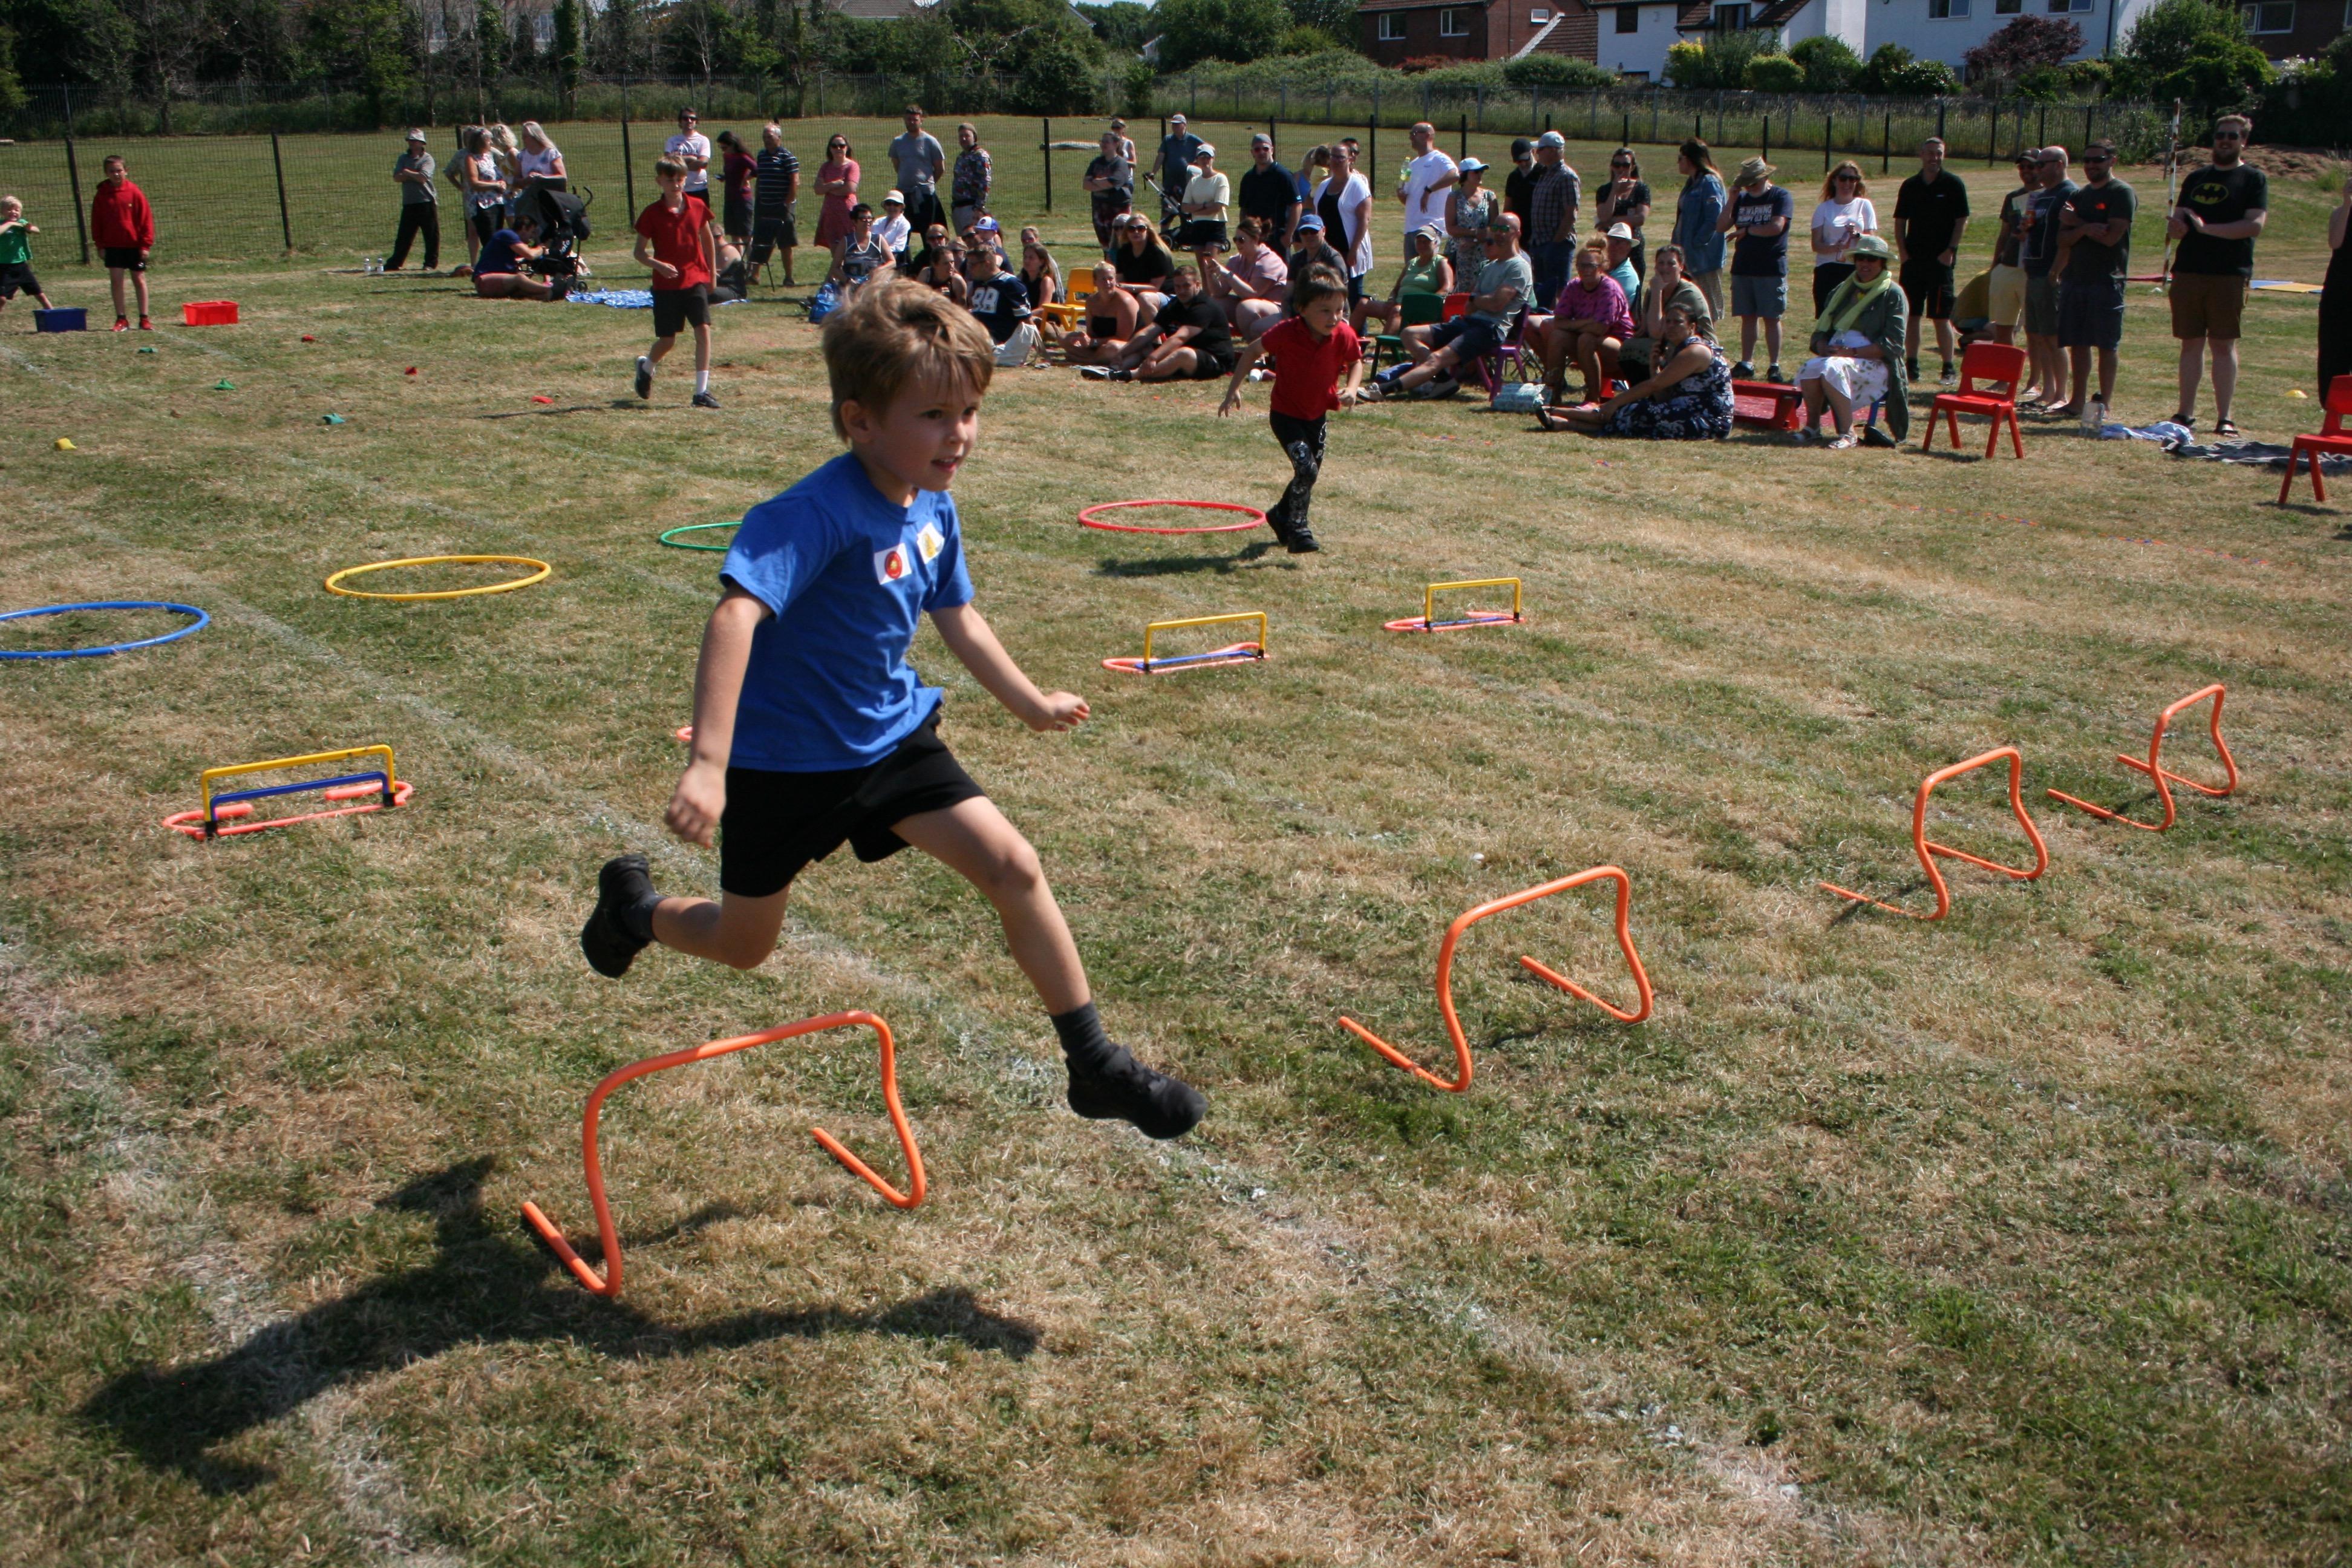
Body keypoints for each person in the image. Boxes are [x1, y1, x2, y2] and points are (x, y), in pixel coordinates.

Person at [581, 279, 1205, 1143]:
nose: (960, 434)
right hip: (784, 765)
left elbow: (959, 617)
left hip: (889, 739)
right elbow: (734, 617)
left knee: (1014, 866)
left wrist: (1030, 703)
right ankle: (634, 911)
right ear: (861, 421)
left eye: (971, 412)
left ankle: (1095, 1064)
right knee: (743, 944)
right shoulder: (812, 514)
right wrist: (710, 766)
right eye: (936, 415)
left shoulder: (932, 502)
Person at [1217, 264, 1364, 555]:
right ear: (1302, 309)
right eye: (1325, 311)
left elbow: (1356, 361)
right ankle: (1298, 530)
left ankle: (1280, 514)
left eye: (1339, 310)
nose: (1334, 318)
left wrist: (1352, 388)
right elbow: (1252, 350)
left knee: (1309, 474)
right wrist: (1234, 388)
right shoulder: (1286, 332)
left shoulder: (1343, 334)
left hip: (1317, 416)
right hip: (1286, 416)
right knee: (1306, 469)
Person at [2167, 113, 2268, 436]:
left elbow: (2254, 226)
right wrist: (2177, 228)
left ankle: (2225, 417)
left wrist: (2207, 230)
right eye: (2220, 135)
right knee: (2190, 344)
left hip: (2228, 273)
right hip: (2189, 270)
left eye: (2232, 136)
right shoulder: (2196, 178)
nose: (2225, 141)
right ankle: (2185, 413)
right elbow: (2180, 222)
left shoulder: (2253, 179)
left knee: (2223, 344)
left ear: (2243, 142)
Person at [1367, 213, 1531, 402]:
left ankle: (1383, 390)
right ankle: (1444, 379)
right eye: (1496, 229)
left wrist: (1476, 301)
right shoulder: (1489, 266)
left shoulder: (1518, 267)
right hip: (1469, 322)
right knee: (1409, 334)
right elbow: (1470, 306)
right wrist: (1477, 302)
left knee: (1437, 358)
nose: (1499, 234)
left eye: (1505, 229)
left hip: (1491, 329)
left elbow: (1496, 304)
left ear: (1517, 234)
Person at [1535, 302, 1732, 440]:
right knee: (1636, 411)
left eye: (1678, 322)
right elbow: (1663, 396)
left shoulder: (1696, 351)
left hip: (1708, 421)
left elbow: (1654, 386)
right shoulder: (1680, 350)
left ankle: (1557, 412)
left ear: (1692, 327)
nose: (1671, 327)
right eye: (1668, 322)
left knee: (1634, 411)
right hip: (1687, 412)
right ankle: (1562, 422)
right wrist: (1654, 369)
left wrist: (1614, 403)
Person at [1794, 232, 1908, 448]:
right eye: (1860, 258)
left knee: (1832, 368)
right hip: (1838, 356)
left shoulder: (1893, 294)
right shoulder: (1842, 290)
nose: (1865, 264)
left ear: (1882, 263)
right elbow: (1820, 332)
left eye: (1872, 259)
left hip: (1876, 362)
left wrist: (1852, 352)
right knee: (1811, 368)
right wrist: (1822, 346)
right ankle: (1813, 428)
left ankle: (1848, 434)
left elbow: (1893, 344)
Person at [2054, 139, 2134, 422]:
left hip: (2107, 280)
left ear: (2112, 161)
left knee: (2106, 345)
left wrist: (2078, 224)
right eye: (2087, 160)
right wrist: (2087, 228)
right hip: (2075, 278)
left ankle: (2104, 404)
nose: (2091, 165)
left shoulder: (2121, 193)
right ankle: (2077, 401)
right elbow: (2062, 239)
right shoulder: (2079, 195)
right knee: (2078, 342)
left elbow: (2111, 237)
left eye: (2098, 160)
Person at [632, 157, 722, 410]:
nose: (676, 184)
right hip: (666, 286)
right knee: (667, 340)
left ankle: (701, 392)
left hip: (695, 279)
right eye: (670, 180)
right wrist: (658, 265)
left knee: (703, 330)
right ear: (659, 181)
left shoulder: (697, 206)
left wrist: (712, 274)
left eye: (680, 179)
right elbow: (639, 252)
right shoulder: (652, 213)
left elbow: (708, 240)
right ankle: (646, 367)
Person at [1894, 137, 1970, 388]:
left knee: (1941, 316)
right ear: (1921, 155)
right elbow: (1900, 221)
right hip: (1914, 260)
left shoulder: (1953, 184)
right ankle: (1911, 365)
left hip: (1940, 262)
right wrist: (1903, 252)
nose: (1934, 158)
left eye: (1938, 153)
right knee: (1912, 315)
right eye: (1930, 153)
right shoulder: (1910, 185)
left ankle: (1948, 368)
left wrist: (1950, 251)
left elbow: (1961, 220)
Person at [1078, 264, 1235, 384]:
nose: (1181, 291)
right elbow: (1150, 331)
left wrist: (1153, 358)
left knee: (1183, 354)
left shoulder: (1204, 307)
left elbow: (1180, 338)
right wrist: (1123, 353)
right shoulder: (1176, 304)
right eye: (1178, 286)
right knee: (1144, 345)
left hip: (1214, 361)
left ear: (1198, 285)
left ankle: (1130, 375)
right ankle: (1114, 368)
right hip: (1185, 356)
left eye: (1187, 286)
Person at [1536, 243, 1636, 405]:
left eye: (1591, 266)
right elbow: (1559, 322)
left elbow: (1600, 328)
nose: (1586, 270)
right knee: (1557, 336)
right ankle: (1553, 393)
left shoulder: (1609, 288)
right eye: (1582, 265)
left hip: (1620, 345)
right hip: (1585, 338)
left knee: (1586, 339)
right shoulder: (1574, 286)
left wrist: (1574, 325)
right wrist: (1587, 323)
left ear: (1601, 267)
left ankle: (1593, 397)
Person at [1720, 157, 1792, 382]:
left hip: (1770, 267)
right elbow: (1721, 226)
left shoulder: (1780, 196)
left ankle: (1774, 365)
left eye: (1753, 182)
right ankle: (1746, 362)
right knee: (1748, 317)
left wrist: (1748, 230)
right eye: (1746, 183)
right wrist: (1732, 199)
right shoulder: (1741, 199)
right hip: (1744, 266)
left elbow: (1776, 227)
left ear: (1765, 178)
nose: (1750, 187)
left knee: (1771, 317)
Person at [2019, 146, 2077, 413]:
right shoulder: (2041, 196)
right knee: (2039, 335)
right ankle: (2047, 390)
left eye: (2042, 164)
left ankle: (2061, 394)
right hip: (2034, 271)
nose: (2037, 170)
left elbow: (2069, 238)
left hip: (2051, 273)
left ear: (2060, 164)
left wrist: (2056, 270)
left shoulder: (2069, 193)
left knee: (2053, 337)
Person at [1621, 241, 1710, 379]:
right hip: (1671, 341)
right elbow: (1645, 328)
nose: (1665, 268)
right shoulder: (1653, 290)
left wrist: (1657, 290)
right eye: (1661, 263)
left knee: (1649, 349)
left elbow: (1656, 333)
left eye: (1671, 264)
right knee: (1629, 346)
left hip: (1698, 348)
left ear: (1681, 267)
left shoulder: (1689, 294)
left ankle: (1655, 389)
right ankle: (1644, 390)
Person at [90, 154, 154, 331]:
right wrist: (100, 245)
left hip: (134, 245)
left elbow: (146, 220)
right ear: (106, 173)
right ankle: (121, 319)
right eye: (112, 171)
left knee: (139, 279)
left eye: (119, 170)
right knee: (117, 281)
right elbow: (96, 221)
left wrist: (145, 245)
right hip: (113, 246)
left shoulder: (134, 192)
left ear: (126, 171)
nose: (116, 174)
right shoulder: (102, 195)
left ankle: (144, 318)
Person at [1203, 216, 1290, 341]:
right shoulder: (1236, 260)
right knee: (1215, 303)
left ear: (1255, 239)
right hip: (1249, 307)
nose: (1237, 243)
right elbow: (1219, 293)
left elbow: (1253, 293)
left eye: (1242, 240)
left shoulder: (1269, 261)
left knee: (1246, 307)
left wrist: (1228, 274)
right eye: (1235, 240)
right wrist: (1210, 274)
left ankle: (1253, 347)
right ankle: (1218, 342)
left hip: (1279, 310)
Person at [1987, 150, 2039, 355]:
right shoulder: (2013, 197)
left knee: (2034, 329)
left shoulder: (2048, 196)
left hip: (2032, 269)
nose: (2025, 171)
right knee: (2002, 326)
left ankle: (2035, 374)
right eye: (2022, 167)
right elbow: (2004, 233)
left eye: (2031, 167)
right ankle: (2003, 371)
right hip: (2008, 266)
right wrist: (1995, 265)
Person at [1355, 223, 1449, 338]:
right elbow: (1396, 289)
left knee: (1397, 311)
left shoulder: (1441, 262)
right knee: (1363, 304)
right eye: (1419, 242)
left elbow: (1446, 288)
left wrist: (1425, 302)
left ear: (1435, 243)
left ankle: (1382, 347)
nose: (1422, 245)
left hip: (1419, 309)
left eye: (1426, 242)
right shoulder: (1412, 263)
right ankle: (1346, 343)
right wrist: (1392, 299)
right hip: (1397, 304)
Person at [1809, 161, 1877, 315]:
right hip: (1828, 268)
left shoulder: (1864, 205)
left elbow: (1872, 241)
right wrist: (1835, 248)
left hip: (1856, 268)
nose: (1847, 183)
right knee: (1828, 317)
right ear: (1834, 180)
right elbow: (1816, 245)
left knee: (1855, 317)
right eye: (1843, 178)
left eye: (1852, 179)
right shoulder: (1824, 208)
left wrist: (1857, 235)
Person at [1313, 142, 1375, 304]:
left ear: (1350, 160)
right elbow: (1317, 215)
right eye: (1333, 156)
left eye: (1340, 157)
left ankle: (1359, 321)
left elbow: (1364, 220)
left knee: (1352, 295)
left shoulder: (1357, 186)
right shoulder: (1324, 185)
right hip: (1328, 249)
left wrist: (1354, 250)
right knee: (1328, 293)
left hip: (1349, 249)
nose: (1336, 160)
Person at [1526, 131, 1581, 312]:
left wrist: (1555, 243)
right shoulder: (1545, 174)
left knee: (1557, 293)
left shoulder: (1567, 177)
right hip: (1540, 243)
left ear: (1552, 150)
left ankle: (1557, 322)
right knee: (1542, 292)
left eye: (1540, 150)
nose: (1537, 154)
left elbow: (1570, 214)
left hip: (1557, 245)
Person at [1674, 140, 1728, 323]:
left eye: (1680, 158)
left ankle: (1709, 339)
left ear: (1690, 159)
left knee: (1707, 306)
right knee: (1688, 305)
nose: (1678, 162)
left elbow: (1714, 218)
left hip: (1704, 256)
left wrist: (1697, 242)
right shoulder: (1692, 183)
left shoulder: (1709, 182)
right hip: (1687, 253)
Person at [1054, 264, 1142, 364]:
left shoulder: (1125, 302)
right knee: (1063, 338)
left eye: (1111, 279)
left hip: (1125, 345)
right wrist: (1084, 340)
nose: (1108, 283)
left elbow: (1123, 338)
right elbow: (1091, 334)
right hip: (1100, 345)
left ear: (1116, 280)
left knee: (1113, 347)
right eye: (1103, 279)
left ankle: (1089, 359)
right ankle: (1097, 357)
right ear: (1095, 282)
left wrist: (1093, 342)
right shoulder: (1091, 301)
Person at [965, 243, 1036, 368]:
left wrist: (1029, 346)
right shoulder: (979, 282)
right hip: (976, 331)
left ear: (987, 264)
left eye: (972, 264)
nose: (969, 268)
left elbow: (1026, 321)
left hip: (996, 339)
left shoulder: (1010, 284)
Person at [1397, 121, 1459, 263]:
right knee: (1411, 269)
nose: (1411, 138)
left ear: (1428, 135)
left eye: (1414, 134)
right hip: (1411, 227)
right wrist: (1401, 195)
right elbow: (1408, 198)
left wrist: (1429, 190)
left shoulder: (1439, 158)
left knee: (1428, 269)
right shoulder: (1412, 164)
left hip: (1430, 225)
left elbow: (1454, 175)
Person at [471, 211, 565, 301]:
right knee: (519, 278)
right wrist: (542, 248)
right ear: (524, 228)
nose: (532, 237)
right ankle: (550, 290)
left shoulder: (512, 240)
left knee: (526, 292)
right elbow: (530, 255)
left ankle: (550, 295)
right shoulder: (508, 235)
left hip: (498, 282)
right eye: (532, 232)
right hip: (484, 281)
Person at [750, 122, 800, 284]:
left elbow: (794, 181)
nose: (767, 140)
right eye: (764, 137)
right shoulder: (761, 156)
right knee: (760, 241)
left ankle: (789, 277)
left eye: (770, 137)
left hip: (782, 207)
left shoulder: (787, 157)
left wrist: (787, 203)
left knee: (785, 243)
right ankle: (755, 275)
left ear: (779, 138)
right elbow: (760, 179)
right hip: (764, 206)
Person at [1595, 148, 1652, 281]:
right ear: (1612, 167)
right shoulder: (1604, 190)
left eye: (1626, 165)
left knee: (1633, 283)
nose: (1621, 169)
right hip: (1609, 245)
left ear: (1632, 167)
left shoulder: (1641, 189)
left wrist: (1612, 221)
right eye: (1617, 165)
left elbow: (1640, 218)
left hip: (1632, 243)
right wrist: (1614, 190)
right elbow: (1604, 216)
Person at [387, 128, 439, 273]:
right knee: (404, 235)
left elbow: (423, 178)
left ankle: (430, 263)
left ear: (422, 143)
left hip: (426, 201)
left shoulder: (428, 159)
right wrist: (412, 175)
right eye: (409, 140)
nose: (411, 143)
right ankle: (395, 262)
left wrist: (407, 172)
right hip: (409, 202)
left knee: (431, 235)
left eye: (414, 140)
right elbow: (397, 177)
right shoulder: (403, 158)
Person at [1238, 134, 1301, 253]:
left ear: (1272, 150)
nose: (1262, 152)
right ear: (1252, 153)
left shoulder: (1284, 175)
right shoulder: (1248, 178)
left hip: (1277, 236)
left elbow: (1297, 205)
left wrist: (1289, 235)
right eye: (1257, 149)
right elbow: (1244, 209)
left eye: (1265, 149)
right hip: (1255, 236)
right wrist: (1244, 233)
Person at [457, 126, 508, 275]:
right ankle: (486, 272)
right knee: (489, 239)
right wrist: (495, 185)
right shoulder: (471, 159)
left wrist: (502, 183)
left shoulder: (489, 156)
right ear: (480, 142)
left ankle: (496, 269)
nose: (491, 142)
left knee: (497, 237)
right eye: (489, 140)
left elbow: (498, 175)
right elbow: (474, 183)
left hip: (497, 202)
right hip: (482, 205)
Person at [889, 105, 947, 235]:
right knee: (903, 233)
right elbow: (897, 166)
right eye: (909, 119)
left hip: (925, 195)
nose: (912, 122)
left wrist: (927, 183)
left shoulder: (930, 142)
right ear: (904, 120)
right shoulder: (898, 142)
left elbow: (940, 168)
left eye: (915, 120)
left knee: (928, 233)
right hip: (904, 194)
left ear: (921, 120)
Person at [2321, 171, 2352, 398]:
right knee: (2333, 351)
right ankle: (2333, 404)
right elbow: (2335, 242)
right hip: (2339, 289)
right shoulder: (2340, 213)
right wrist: (2347, 205)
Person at [1109, 212, 1177, 313]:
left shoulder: (1157, 252)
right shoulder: (1123, 252)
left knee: (1144, 298)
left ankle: (1156, 325)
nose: (1136, 232)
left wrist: (1129, 288)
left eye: (1141, 228)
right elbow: (1120, 281)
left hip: (1164, 295)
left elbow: (1155, 288)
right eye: (1131, 229)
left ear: (1148, 231)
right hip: (1136, 293)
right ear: (1126, 232)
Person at [0, 196, 56, 318]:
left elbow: (37, 230)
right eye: (9, 210)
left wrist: (28, 227)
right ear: (2, 212)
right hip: (4, 268)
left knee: (40, 294)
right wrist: (10, 224)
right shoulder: (3, 224)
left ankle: (53, 315)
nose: (13, 212)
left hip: (21, 266)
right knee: (2, 299)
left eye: (17, 210)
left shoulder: (22, 223)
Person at [1444, 157, 1496, 281]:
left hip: (1483, 252)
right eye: (1476, 172)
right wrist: (1474, 233)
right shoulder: (1454, 197)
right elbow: (1450, 228)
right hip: (1460, 252)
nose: (1480, 175)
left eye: (1481, 172)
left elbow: (1494, 226)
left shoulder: (1490, 196)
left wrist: (1477, 239)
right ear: (1465, 175)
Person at [1083, 131, 1133, 253]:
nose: (1103, 144)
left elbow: (1114, 183)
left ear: (1116, 144)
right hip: (1099, 208)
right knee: (1105, 244)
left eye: (1107, 142)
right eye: (1102, 141)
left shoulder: (1121, 163)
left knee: (1120, 243)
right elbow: (1086, 185)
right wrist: (1103, 183)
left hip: (1117, 208)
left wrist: (1095, 181)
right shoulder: (1096, 162)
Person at [829, 203, 893, 295]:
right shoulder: (846, 242)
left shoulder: (878, 239)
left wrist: (879, 270)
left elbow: (892, 262)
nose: (868, 221)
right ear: (855, 221)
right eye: (863, 219)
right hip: (852, 285)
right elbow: (835, 268)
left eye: (870, 218)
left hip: (874, 284)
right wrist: (848, 282)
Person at [1180, 143, 1231, 256]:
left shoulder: (1220, 179)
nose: (1205, 160)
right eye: (1202, 157)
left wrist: (1195, 211)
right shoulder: (1194, 181)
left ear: (1213, 159)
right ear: (1197, 159)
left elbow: (1217, 207)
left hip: (1215, 226)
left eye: (1208, 157)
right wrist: (1204, 205)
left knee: (1210, 263)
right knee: (1202, 265)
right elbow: (1185, 207)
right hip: (1198, 226)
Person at [1155, 113, 1206, 227]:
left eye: (1178, 125)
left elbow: (1207, 150)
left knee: (1187, 214)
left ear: (1185, 125)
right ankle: (1164, 236)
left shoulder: (1193, 140)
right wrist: (1153, 172)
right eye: (1173, 125)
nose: (1175, 127)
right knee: (1167, 213)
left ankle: (1187, 233)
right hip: (1170, 183)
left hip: (1187, 183)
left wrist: (1198, 164)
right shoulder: (1168, 140)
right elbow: (1161, 156)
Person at [1286, 212, 1348, 303]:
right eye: (1304, 232)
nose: (1309, 236)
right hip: (1301, 308)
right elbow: (1288, 293)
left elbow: (1339, 295)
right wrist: (1286, 311)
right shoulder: (1296, 259)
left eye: (1314, 231)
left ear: (1324, 231)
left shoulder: (1333, 259)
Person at [814, 134, 860, 255]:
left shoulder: (852, 166)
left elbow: (850, 188)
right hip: (830, 214)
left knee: (851, 249)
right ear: (830, 149)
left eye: (842, 145)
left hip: (847, 214)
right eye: (834, 146)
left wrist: (827, 189)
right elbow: (818, 189)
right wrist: (833, 184)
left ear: (847, 148)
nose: (838, 148)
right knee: (835, 252)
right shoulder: (826, 167)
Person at [947, 122, 991, 235]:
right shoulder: (961, 156)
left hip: (971, 207)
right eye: (961, 136)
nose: (963, 139)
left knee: (972, 238)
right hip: (958, 206)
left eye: (967, 136)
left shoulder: (980, 155)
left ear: (974, 137)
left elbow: (985, 182)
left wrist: (978, 208)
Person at [717, 130, 757, 246]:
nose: (723, 150)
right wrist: (724, 177)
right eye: (721, 148)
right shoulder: (727, 156)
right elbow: (732, 172)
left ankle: (751, 258)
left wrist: (746, 179)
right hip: (730, 198)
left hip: (742, 199)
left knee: (745, 235)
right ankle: (738, 258)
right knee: (734, 235)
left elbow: (757, 169)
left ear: (733, 144)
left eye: (725, 147)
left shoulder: (742, 157)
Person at [665, 108, 712, 201]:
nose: (689, 121)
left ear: (696, 121)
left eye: (692, 118)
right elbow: (668, 163)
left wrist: (677, 161)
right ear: (680, 121)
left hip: (699, 189)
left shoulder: (703, 140)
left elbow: (703, 164)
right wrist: (691, 158)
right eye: (685, 118)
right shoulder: (672, 141)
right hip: (677, 189)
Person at [516, 121, 567, 192]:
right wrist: (526, 181)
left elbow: (562, 177)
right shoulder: (522, 156)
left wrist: (542, 178)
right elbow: (516, 181)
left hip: (549, 194)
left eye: (525, 136)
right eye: (522, 136)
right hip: (529, 196)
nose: (522, 139)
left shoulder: (550, 153)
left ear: (535, 137)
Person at [1018, 229, 1061, 311]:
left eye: (1031, 258)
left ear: (1041, 262)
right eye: (1025, 257)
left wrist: (1025, 316)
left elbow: (1043, 309)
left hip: (1046, 318)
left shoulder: (1046, 281)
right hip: (1028, 316)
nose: (1027, 261)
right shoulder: (1022, 278)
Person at [1503, 137, 1537, 238]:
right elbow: (1508, 207)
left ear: (1533, 152)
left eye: (1526, 159)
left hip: (1538, 231)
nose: (1523, 164)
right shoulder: (1514, 177)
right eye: (1519, 161)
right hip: (1519, 231)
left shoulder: (1543, 173)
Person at [875, 191, 913, 271]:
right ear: (885, 206)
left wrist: (882, 253)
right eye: (889, 204)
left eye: (896, 204)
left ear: (901, 207)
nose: (892, 207)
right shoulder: (878, 222)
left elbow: (899, 247)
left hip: (891, 260)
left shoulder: (904, 224)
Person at [1601, 224, 1639, 300]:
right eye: (1611, 241)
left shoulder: (1627, 276)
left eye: (1619, 242)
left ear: (1628, 247)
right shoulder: (1604, 267)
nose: (1614, 246)